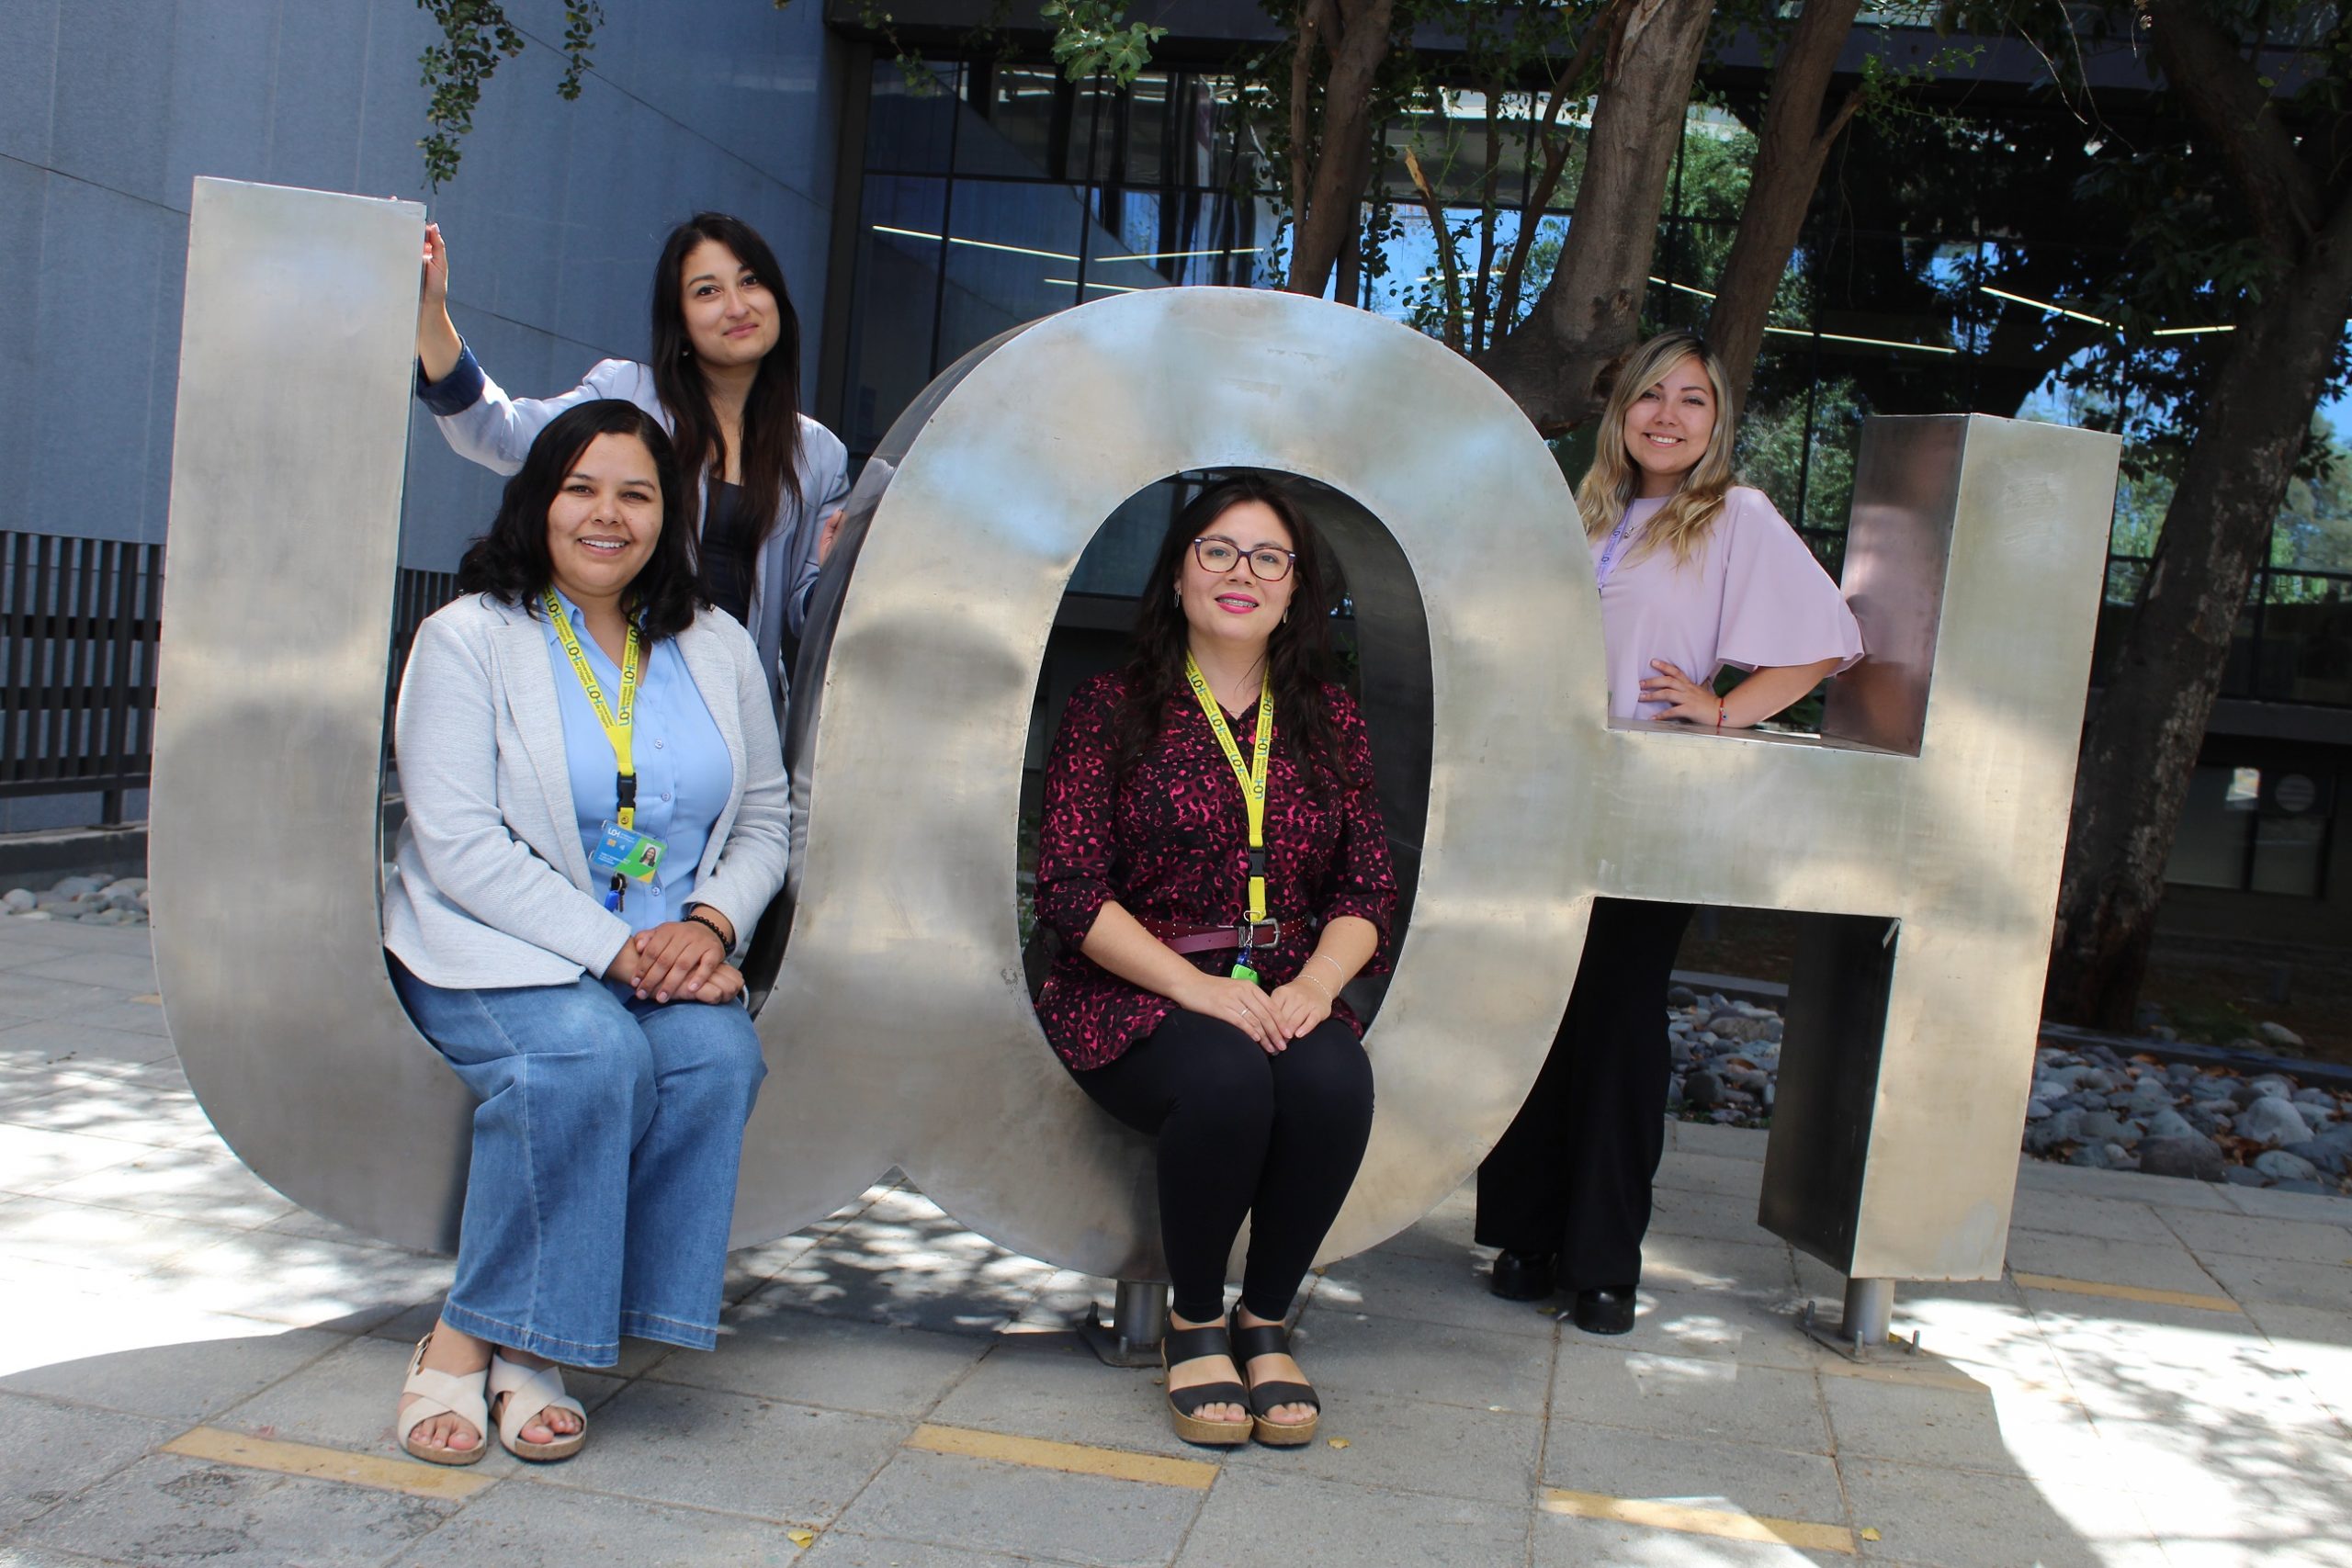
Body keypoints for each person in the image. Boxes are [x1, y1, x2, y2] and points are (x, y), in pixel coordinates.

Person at [383, 399, 790, 1464]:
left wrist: (708, 921)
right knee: (588, 1055)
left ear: (669, 516)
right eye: (581, 488)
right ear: (539, 499)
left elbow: (762, 818)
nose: (607, 515)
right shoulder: (468, 637)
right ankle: (476, 1345)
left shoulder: (715, 643)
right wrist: (618, 952)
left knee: (715, 1060)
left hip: (669, 951)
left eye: (637, 494)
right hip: (494, 945)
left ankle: (527, 1335)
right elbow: (460, 843)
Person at [1476, 330, 1863, 1334]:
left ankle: (1601, 1262)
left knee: (1616, 1018)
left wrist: (1727, 708)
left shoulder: (1734, 516)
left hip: (1651, 803)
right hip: (1551, 792)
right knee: (1536, 1008)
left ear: (1715, 420)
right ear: (1620, 412)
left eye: (1691, 400)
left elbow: (1827, 644)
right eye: (1650, 395)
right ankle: (1526, 1235)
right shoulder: (1585, 509)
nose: (1667, 416)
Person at [1033, 476, 1396, 1448]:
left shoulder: (1328, 718)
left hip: (1283, 984)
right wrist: (1195, 988)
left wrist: (1316, 986)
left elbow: (1367, 893)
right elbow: (1069, 889)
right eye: (1218, 551)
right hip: (1136, 990)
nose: (1243, 574)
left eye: (1268, 557)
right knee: (1229, 1076)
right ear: (1180, 573)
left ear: (1295, 590)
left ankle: (1265, 1317)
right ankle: (1195, 1318)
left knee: (1330, 1079)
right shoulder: (1111, 706)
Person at [413, 212, 849, 705]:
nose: (736, 306)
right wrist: (433, 315)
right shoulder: (628, 394)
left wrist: (844, 573)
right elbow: (501, 435)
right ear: (679, 322)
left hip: (732, 708)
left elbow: (809, 615)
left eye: (750, 281)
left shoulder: (819, 453)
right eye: (707, 291)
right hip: (613, 693)